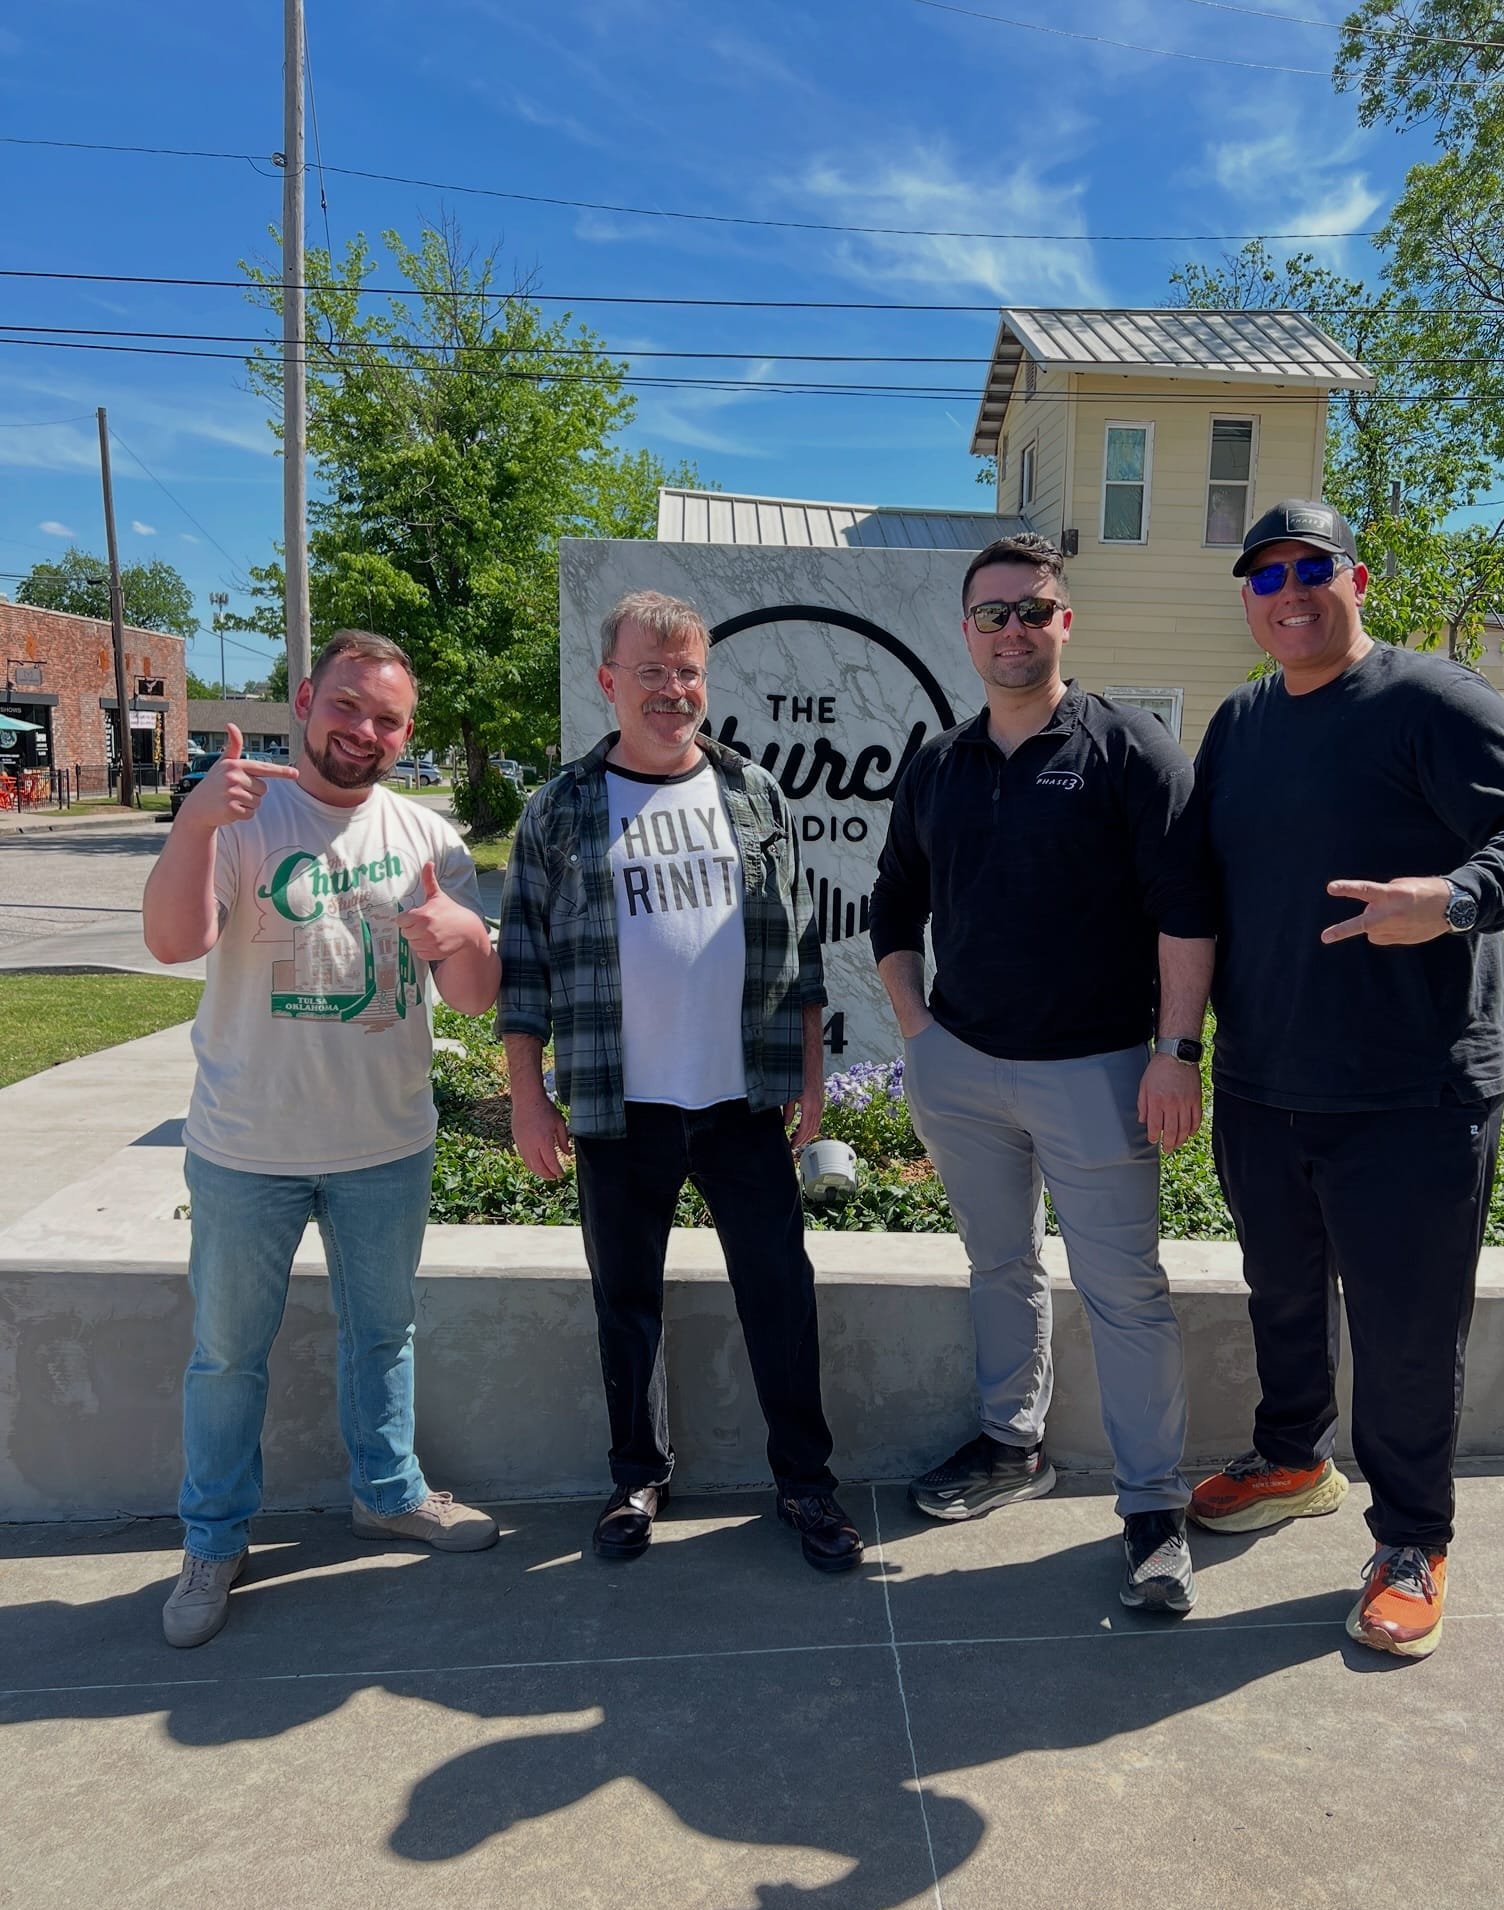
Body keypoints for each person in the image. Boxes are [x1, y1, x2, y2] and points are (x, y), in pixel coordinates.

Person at [1187, 498, 1504, 1659]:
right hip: (1264, 1079)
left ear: (1355, 580)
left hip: (1412, 1091)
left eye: (1311, 568)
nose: (1289, 592)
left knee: (1407, 1331)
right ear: (1247, 598)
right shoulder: (1241, 722)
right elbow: (1202, 880)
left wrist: (1450, 899)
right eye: (1266, 576)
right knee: (1281, 1294)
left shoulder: (1431, 700)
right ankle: (1291, 1457)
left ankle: (1412, 1538)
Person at [870, 532, 1215, 1613]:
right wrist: (918, 1030)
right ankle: (1010, 1445)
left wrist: (1176, 1053)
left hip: (1098, 1072)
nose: (1012, 629)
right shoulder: (939, 762)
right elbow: (892, 902)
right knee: (998, 1264)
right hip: (962, 1068)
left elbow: (1187, 910)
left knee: (1126, 1292)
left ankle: (1152, 1508)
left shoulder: (1128, 749)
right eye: (993, 613)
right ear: (967, 630)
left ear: (1065, 621)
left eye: (1032, 610)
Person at [143, 630, 502, 1648]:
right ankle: (213, 1539)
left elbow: (473, 999)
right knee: (226, 1357)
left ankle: (388, 1492)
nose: (363, 730)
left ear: (407, 733)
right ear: (304, 700)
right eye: (346, 705)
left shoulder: (428, 836)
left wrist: (469, 938)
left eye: (387, 718)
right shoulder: (242, 814)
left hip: (385, 1143)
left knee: (383, 1334)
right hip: (245, 1147)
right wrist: (195, 821)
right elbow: (172, 941)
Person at [497, 589, 863, 1574]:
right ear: (608, 680)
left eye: (688, 670)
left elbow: (803, 953)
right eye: (650, 671)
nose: (672, 689)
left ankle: (806, 1481)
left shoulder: (754, 792)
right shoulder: (560, 806)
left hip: (741, 1102)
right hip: (620, 1107)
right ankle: (636, 1476)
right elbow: (522, 965)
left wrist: (812, 1084)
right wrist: (528, 1094)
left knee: (779, 1293)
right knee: (626, 1302)